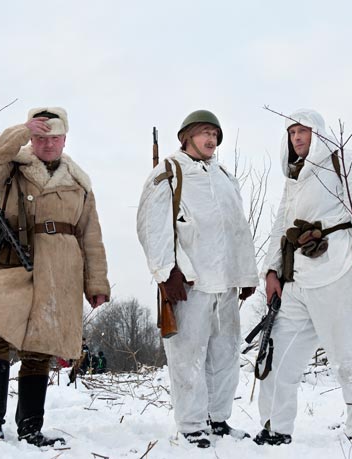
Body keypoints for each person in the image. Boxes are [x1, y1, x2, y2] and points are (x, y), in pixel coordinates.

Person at [0, 107, 110, 446]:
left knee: (41, 348)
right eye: (40, 137)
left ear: (64, 139)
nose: (47, 144)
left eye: (54, 138)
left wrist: (97, 282)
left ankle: (30, 429)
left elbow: (91, 234)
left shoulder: (79, 182)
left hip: (61, 270)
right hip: (14, 260)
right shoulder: (13, 166)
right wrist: (19, 132)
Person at [254, 109, 352, 446]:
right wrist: (272, 271)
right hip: (297, 279)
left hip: (337, 272)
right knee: (278, 353)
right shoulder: (294, 178)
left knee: (351, 356)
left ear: (318, 132)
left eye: (303, 131)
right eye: (292, 133)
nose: (297, 138)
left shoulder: (343, 161)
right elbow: (280, 226)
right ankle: (275, 426)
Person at [137, 110, 259, 448]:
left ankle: (217, 420)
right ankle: (192, 425)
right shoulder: (169, 172)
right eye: (205, 133)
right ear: (186, 136)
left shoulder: (224, 176)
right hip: (189, 284)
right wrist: (167, 273)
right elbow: (152, 225)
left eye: (216, 135)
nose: (212, 140)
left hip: (226, 283)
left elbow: (238, 227)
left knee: (226, 355)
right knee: (187, 357)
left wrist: (246, 272)